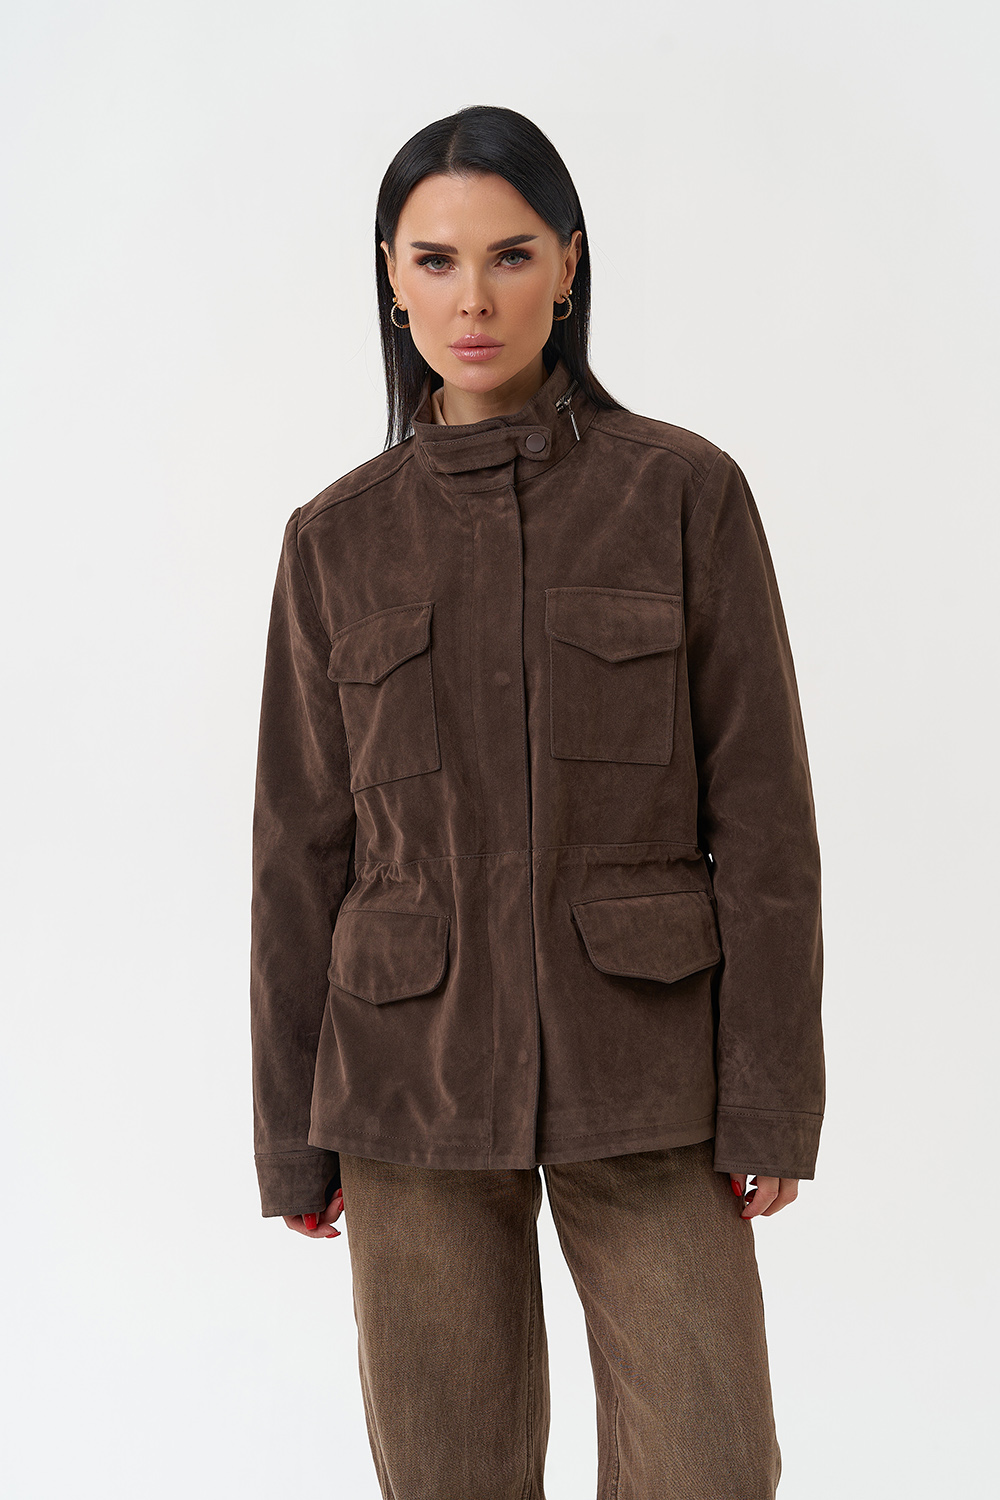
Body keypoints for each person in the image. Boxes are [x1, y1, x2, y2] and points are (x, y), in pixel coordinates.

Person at [249, 104, 824, 1499]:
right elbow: (298, 852)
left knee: (711, 1467)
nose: (474, 299)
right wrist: (291, 1140)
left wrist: (771, 1101)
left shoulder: (683, 495)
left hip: (652, 1069)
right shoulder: (335, 540)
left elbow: (764, 822)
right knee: (448, 1476)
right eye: (435, 260)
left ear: (569, 265)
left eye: (510, 255)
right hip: (409, 1078)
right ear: (391, 278)